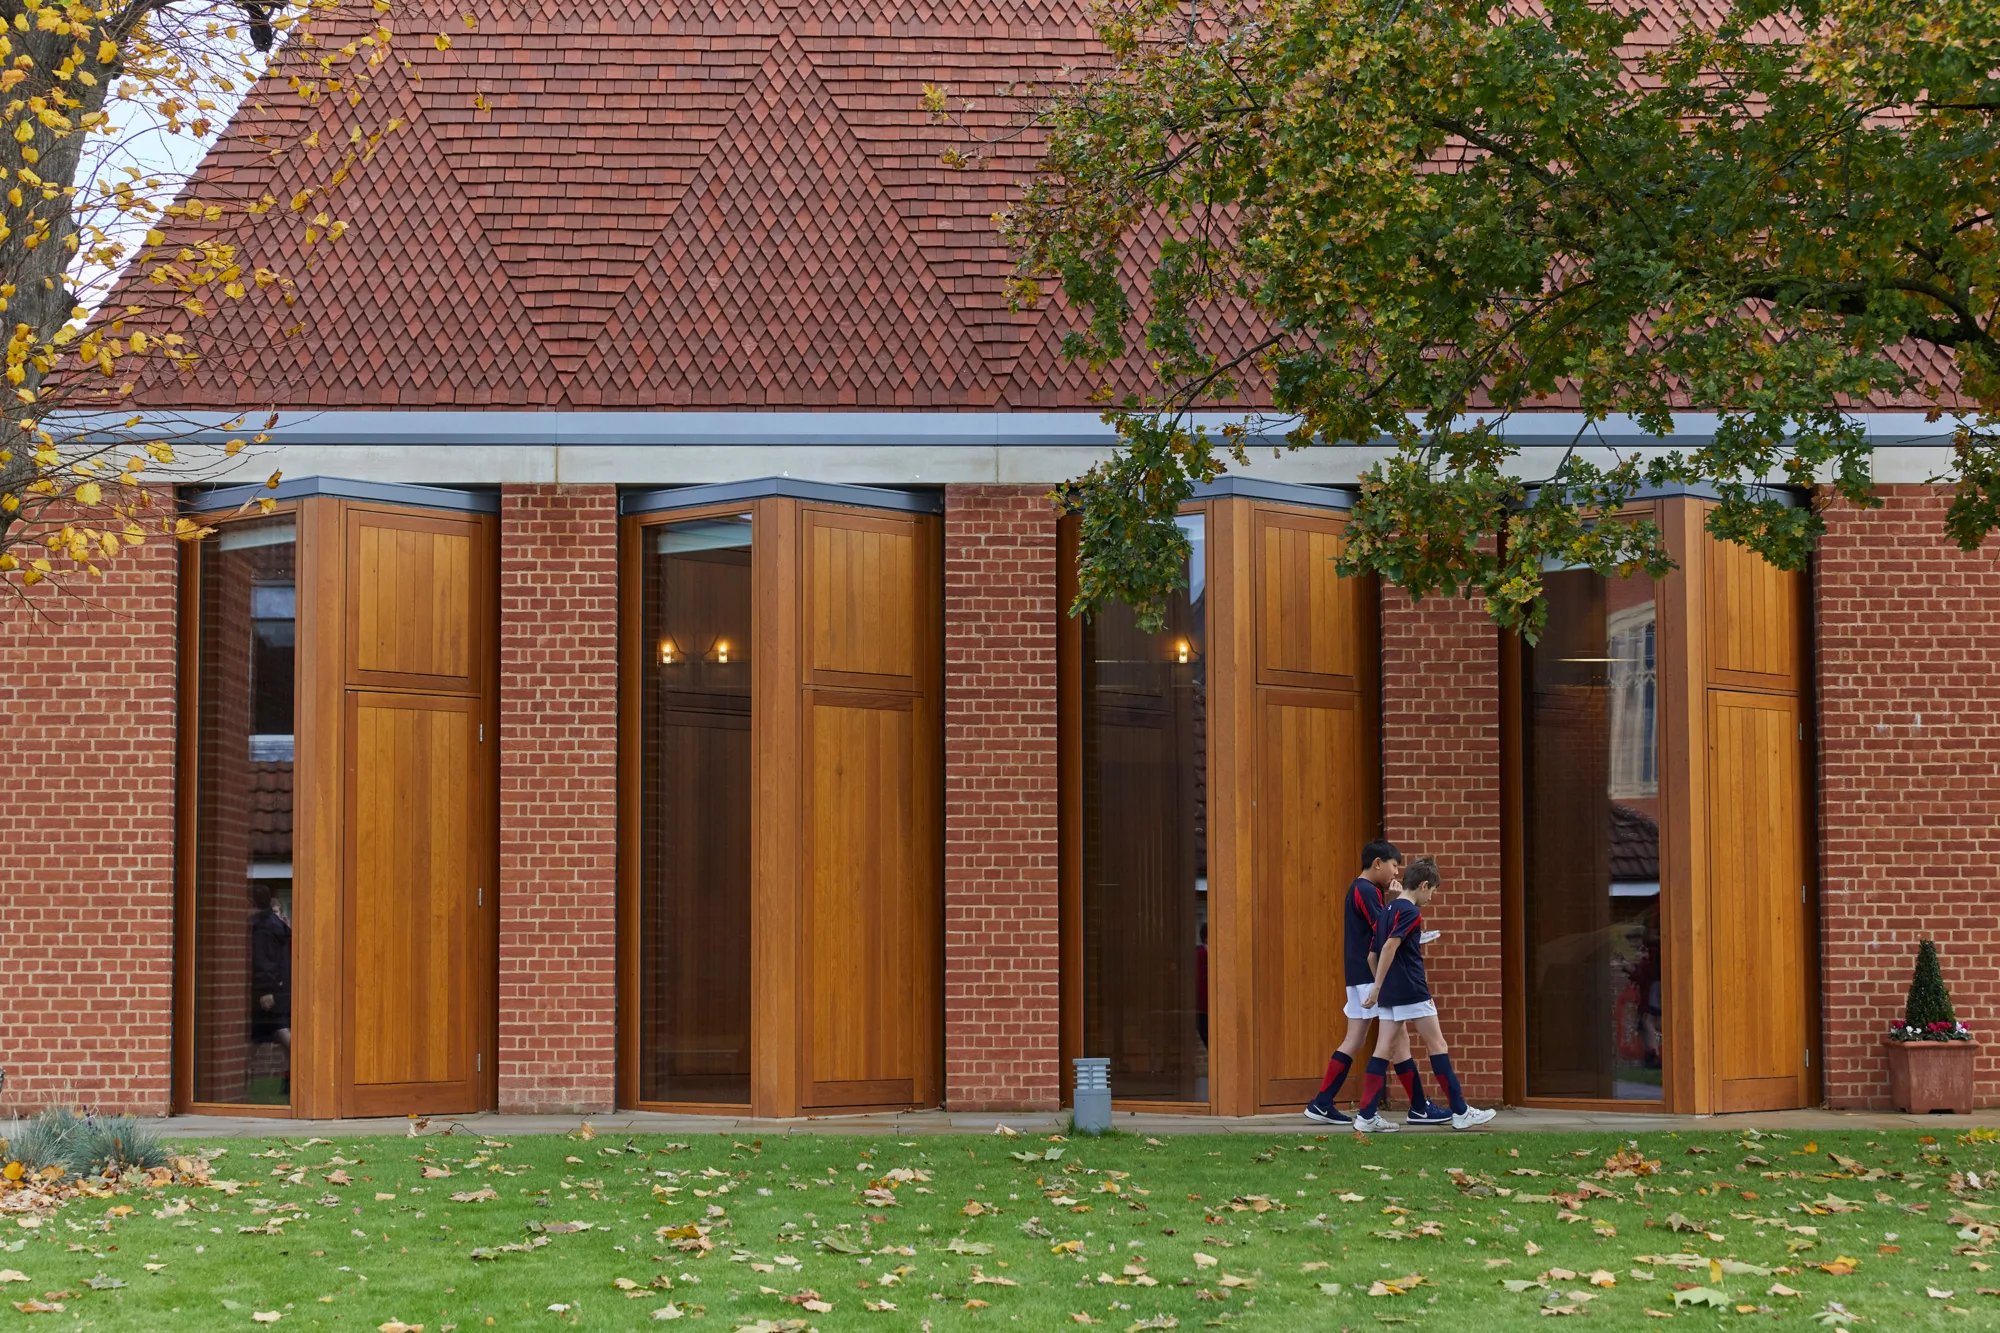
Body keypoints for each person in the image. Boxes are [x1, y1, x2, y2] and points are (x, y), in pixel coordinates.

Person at [1304, 841, 1448, 1126]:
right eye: (1395, 866)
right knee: (1399, 1041)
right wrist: (1394, 902)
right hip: (1370, 978)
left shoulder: (1360, 890)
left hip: (1356, 977)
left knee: (1357, 1039)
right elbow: (1384, 931)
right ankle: (1417, 1108)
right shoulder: (1368, 892)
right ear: (1378, 863)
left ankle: (1322, 1102)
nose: (1397, 872)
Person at [1352, 858, 1497, 1132]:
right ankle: (1461, 1112)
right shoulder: (1410, 912)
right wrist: (1377, 987)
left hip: (1392, 993)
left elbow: (1373, 954)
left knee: (1383, 1049)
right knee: (1438, 1045)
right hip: (1412, 989)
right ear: (1423, 885)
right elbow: (1389, 948)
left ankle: (1366, 1116)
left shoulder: (1387, 910)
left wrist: (1380, 986)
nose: (1432, 897)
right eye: (1433, 891)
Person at [248, 883, 293, 1063]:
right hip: (278, 990)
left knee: (272, 1033)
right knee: (263, 1036)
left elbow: (263, 960)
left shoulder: (262, 928)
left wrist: (267, 991)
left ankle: (307, 1068)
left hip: (267, 994)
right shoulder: (274, 925)